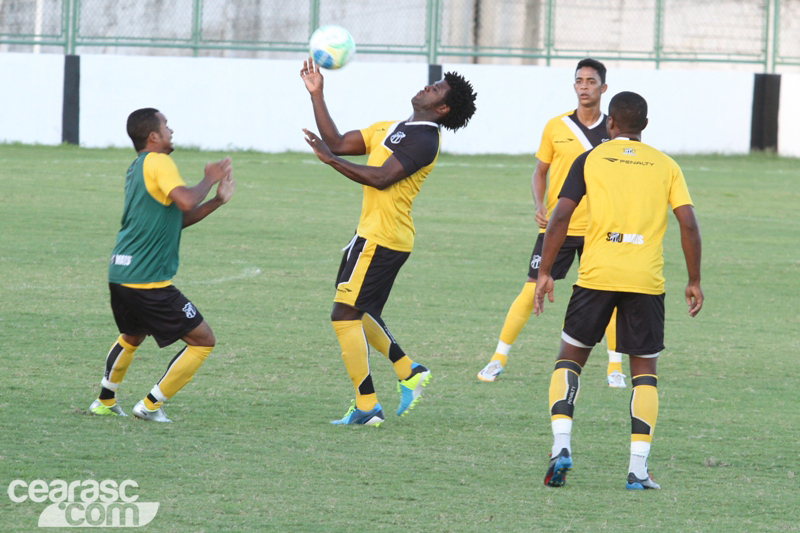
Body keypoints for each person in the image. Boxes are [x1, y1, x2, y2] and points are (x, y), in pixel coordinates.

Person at [534, 91, 703, 489]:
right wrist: (694, 280)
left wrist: (545, 270)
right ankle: (638, 469)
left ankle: (561, 446)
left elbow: (561, 215)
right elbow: (690, 225)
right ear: (644, 125)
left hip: (596, 274)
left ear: (611, 123)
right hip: (645, 280)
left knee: (569, 359)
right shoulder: (666, 165)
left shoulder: (590, 158)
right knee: (644, 371)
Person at [301, 59, 477, 426]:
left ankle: (367, 406)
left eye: (437, 89)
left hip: (384, 237)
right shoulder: (393, 126)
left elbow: (381, 178)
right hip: (371, 233)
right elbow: (337, 141)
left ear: (442, 108)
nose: (428, 87)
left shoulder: (426, 140)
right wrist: (317, 94)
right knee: (357, 311)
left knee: (343, 315)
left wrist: (331, 162)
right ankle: (407, 370)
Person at [477, 58, 628, 388]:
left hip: (599, 229)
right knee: (531, 289)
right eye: (579, 80)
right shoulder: (555, 126)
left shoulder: (614, 130)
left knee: (609, 295)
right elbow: (539, 172)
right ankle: (497, 359)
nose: (584, 86)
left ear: (603, 88)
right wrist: (538, 204)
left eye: (591, 81)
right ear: (573, 86)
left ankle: (614, 366)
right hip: (557, 227)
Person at [89, 108, 235, 423]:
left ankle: (104, 400)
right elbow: (185, 200)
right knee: (203, 340)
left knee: (131, 335)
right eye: (166, 126)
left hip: (121, 272)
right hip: (147, 281)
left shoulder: (138, 166)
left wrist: (216, 201)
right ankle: (150, 405)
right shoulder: (159, 161)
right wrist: (209, 178)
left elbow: (173, 221)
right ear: (153, 136)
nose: (171, 131)